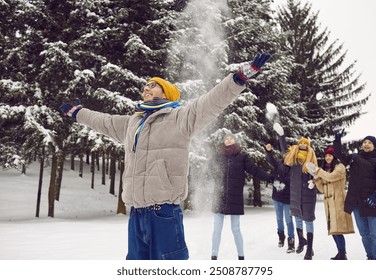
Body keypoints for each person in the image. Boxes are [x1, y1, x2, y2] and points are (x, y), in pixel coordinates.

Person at [60, 52, 271, 260]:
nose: (146, 88)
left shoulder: (180, 118)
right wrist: (78, 113)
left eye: (152, 85)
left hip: (163, 212)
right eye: (145, 86)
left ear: (166, 92)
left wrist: (238, 78)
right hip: (136, 213)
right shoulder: (132, 123)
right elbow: (103, 121)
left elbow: (211, 102)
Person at [210, 134, 273, 260]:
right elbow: (208, 171)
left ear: (234, 141)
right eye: (226, 137)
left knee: (236, 229)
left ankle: (241, 257)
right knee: (217, 229)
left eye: (231, 137)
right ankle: (213, 256)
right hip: (219, 196)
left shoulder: (241, 156)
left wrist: (269, 178)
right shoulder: (217, 157)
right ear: (224, 141)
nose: (228, 139)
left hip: (235, 197)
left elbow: (254, 170)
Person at [333, 132, 376, 260]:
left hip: (372, 203)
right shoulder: (354, 158)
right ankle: (370, 257)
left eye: (369, 142)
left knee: (375, 234)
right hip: (356, 204)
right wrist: (337, 141)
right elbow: (339, 156)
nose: (366, 144)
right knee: (364, 234)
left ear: (374, 146)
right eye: (365, 142)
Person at [306, 146, 354, 260]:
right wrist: (316, 180)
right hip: (329, 204)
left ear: (334, 156)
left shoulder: (340, 167)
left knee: (338, 230)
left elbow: (331, 177)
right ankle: (340, 253)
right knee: (333, 230)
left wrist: (317, 171)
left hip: (338, 202)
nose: (327, 157)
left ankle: (343, 254)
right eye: (326, 156)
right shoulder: (326, 169)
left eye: (330, 155)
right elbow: (323, 189)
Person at [283, 136, 318, 260]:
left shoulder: (312, 160)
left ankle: (309, 249)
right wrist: (281, 136)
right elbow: (284, 152)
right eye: (301, 142)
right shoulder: (293, 160)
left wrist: (314, 182)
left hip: (308, 194)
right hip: (296, 193)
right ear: (298, 145)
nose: (303, 144)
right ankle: (302, 241)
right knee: (298, 217)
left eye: (305, 143)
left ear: (308, 146)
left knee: (308, 220)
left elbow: (317, 175)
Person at [264, 123, 295, 253]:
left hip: (288, 199)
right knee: (279, 219)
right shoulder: (280, 164)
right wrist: (269, 151)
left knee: (288, 219)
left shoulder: (295, 167)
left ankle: (291, 240)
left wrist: (284, 184)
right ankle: (281, 237)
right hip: (277, 197)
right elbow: (270, 160)